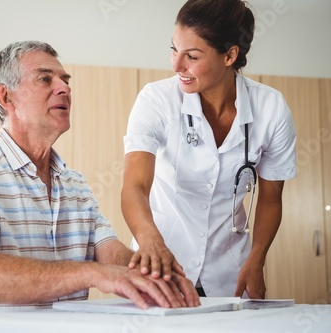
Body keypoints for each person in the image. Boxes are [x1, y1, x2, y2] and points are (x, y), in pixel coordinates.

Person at [0, 41, 200, 314]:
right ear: (6, 97)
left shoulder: (76, 185)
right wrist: (94, 274)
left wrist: (158, 275)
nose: (64, 88)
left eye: (65, 79)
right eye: (45, 79)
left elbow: (112, 255)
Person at [121, 0, 297, 299]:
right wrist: (149, 240)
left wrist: (257, 258)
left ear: (229, 55)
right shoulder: (156, 100)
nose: (176, 65)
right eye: (174, 49)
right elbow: (134, 186)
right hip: (163, 265)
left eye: (191, 56)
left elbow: (271, 197)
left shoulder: (270, 108)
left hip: (229, 269)